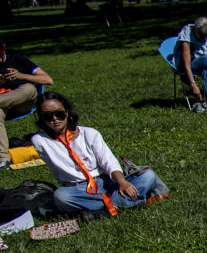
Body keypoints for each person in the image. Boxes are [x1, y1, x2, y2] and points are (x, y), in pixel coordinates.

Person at [30, 92, 169, 216]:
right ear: (42, 119)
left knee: (148, 175)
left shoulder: (89, 133)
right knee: (61, 196)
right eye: (48, 116)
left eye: (59, 114)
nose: (55, 119)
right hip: (77, 189)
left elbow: (108, 161)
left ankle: (101, 210)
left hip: (107, 182)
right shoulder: (40, 141)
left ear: (66, 113)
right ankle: (124, 204)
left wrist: (122, 182)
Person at [0, 42, 54, 170]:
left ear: (2, 49)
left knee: (29, 88)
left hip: (22, 102)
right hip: (4, 107)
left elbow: (48, 80)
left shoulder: (16, 59)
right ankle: (3, 159)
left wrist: (20, 75)